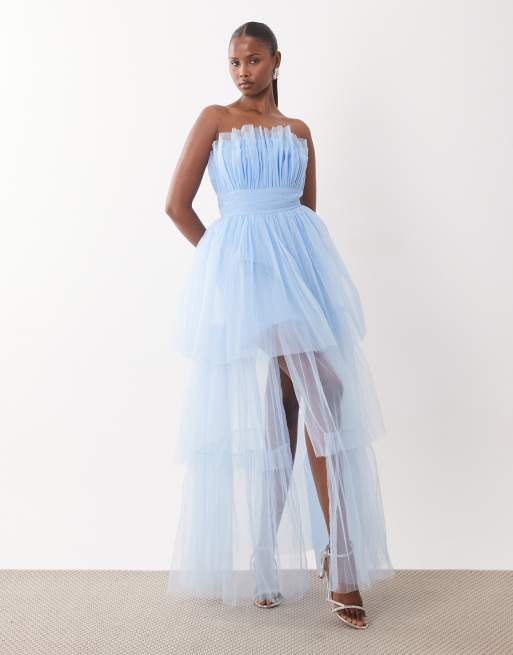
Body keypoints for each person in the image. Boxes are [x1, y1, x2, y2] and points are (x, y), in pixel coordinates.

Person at [164, 21, 395, 630]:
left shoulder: (300, 131)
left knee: (289, 405)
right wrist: (228, 264)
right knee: (325, 390)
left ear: (276, 61)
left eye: (253, 60)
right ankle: (341, 563)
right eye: (234, 61)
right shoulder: (216, 119)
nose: (243, 71)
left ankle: (267, 558)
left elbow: (306, 214)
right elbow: (177, 206)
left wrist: (298, 275)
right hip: (249, 280)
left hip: (301, 275)